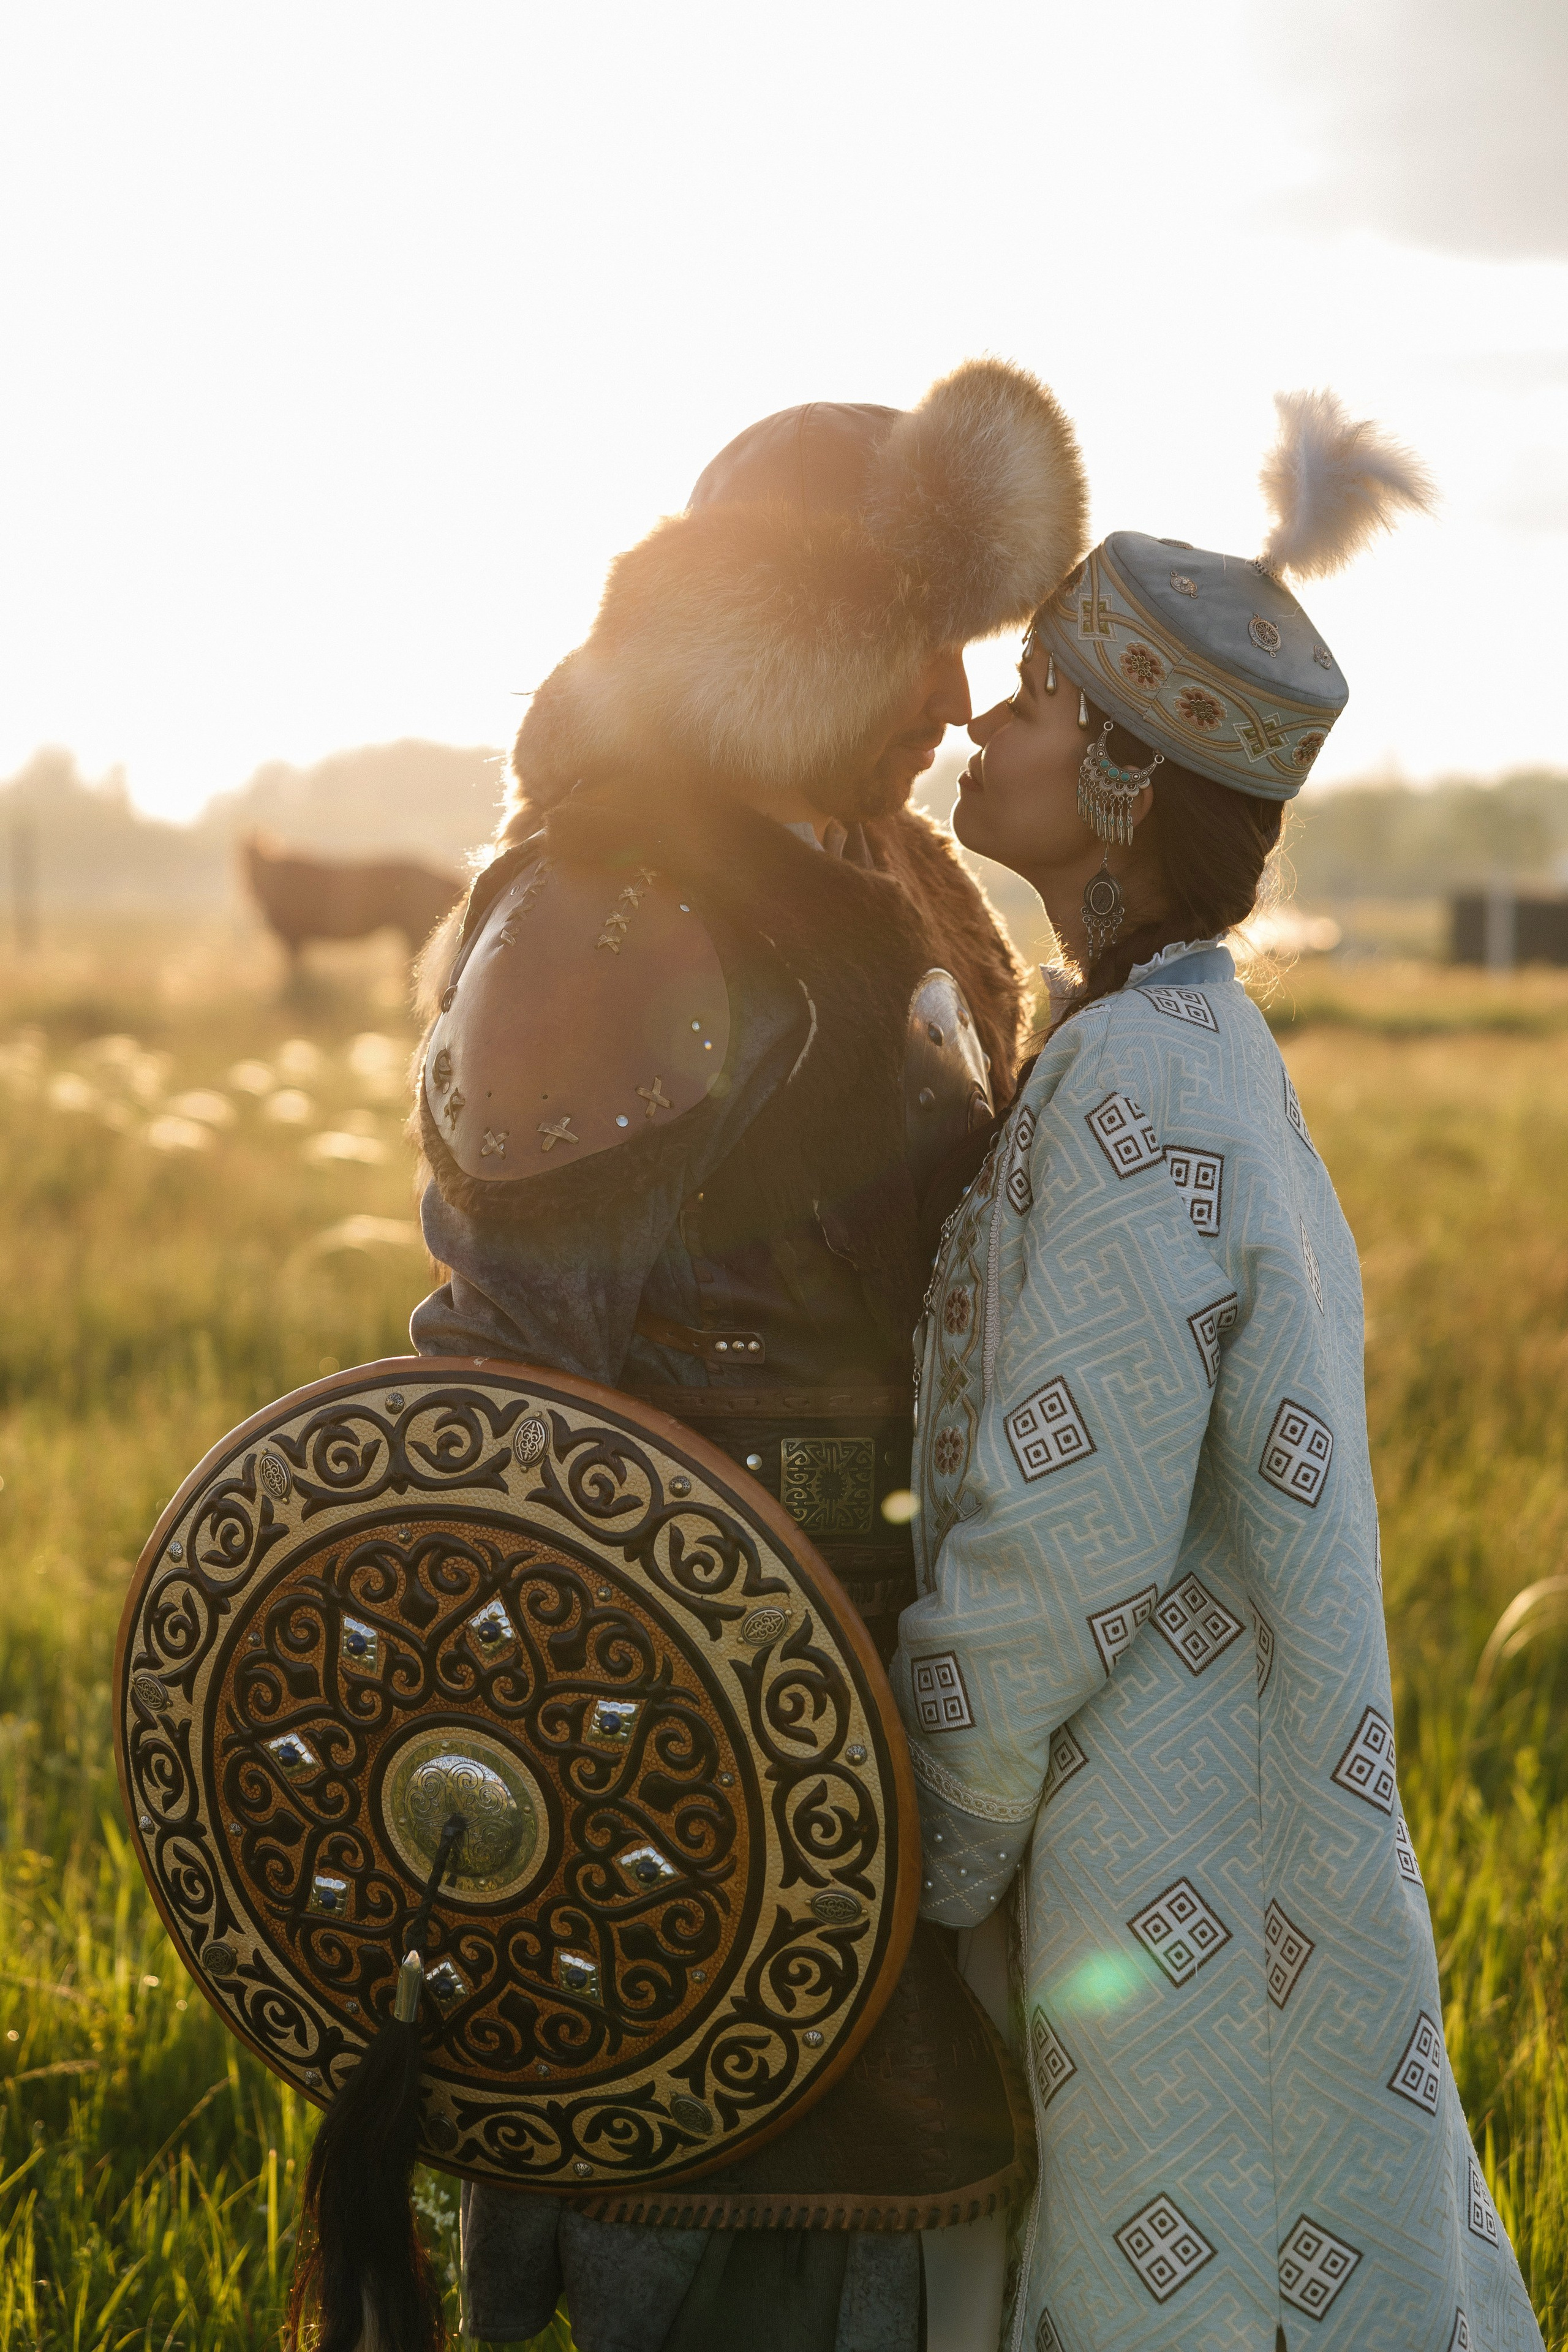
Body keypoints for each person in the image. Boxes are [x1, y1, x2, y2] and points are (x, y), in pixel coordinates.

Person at [407, 361, 1088, 2352]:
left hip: (900, 1677)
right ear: (790, 644)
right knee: (714, 2238)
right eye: (916, 644)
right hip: (685, 1711)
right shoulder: (611, 917)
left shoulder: (898, 880)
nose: (960, 702)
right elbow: (509, 1399)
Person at [894, 394, 1546, 2349]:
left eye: (1026, 699)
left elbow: (1056, 1538)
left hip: (1161, 1874)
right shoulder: (1188, 1058)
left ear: (1114, 775)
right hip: (1231, 1838)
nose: (975, 728)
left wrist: (909, 1851)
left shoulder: (1129, 1089)